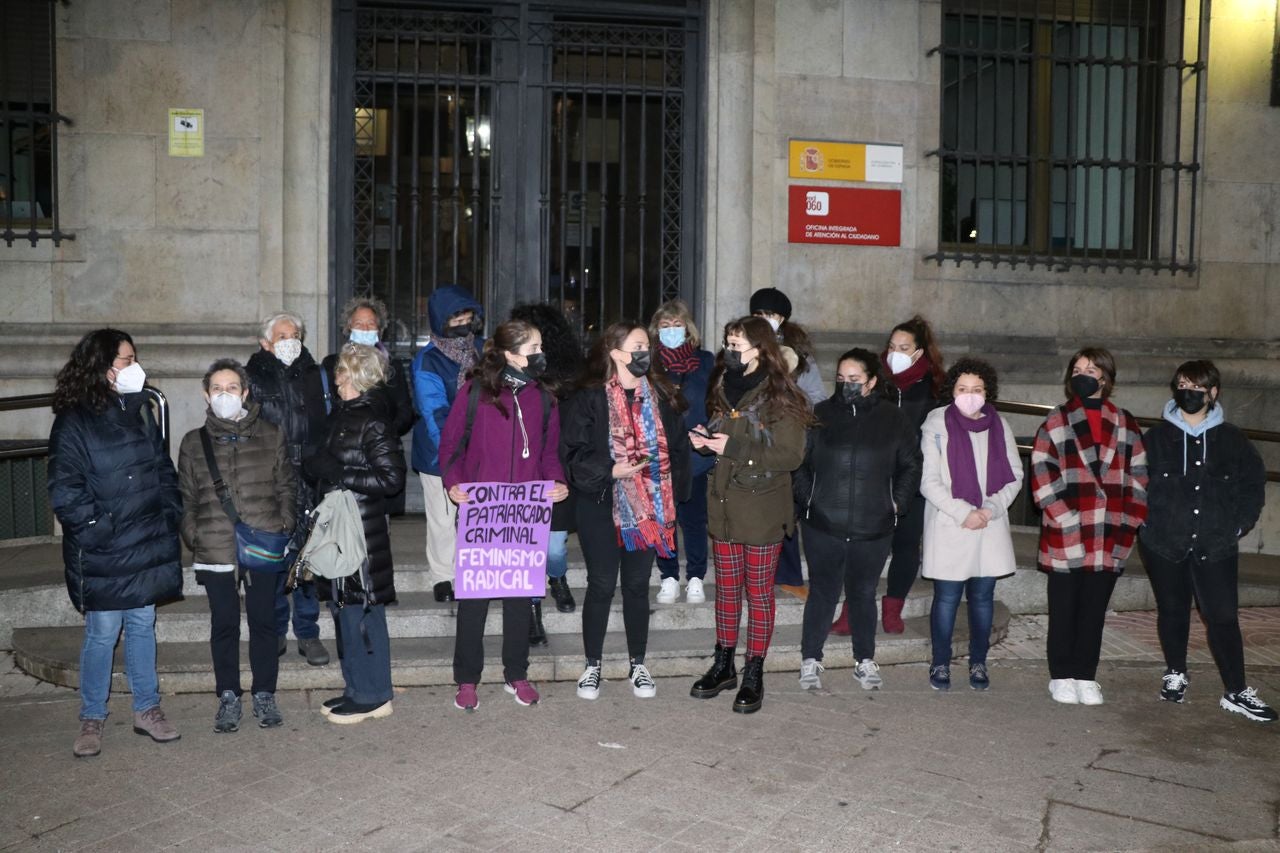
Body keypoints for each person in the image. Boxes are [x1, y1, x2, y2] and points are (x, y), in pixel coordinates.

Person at [48, 329, 183, 757]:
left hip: (145, 539)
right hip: (105, 547)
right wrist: (98, 529)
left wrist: (169, 511)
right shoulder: (74, 420)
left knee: (142, 624)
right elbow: (65, 489)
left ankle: (147, 709)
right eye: (127, 359)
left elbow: (162, 467)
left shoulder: (140, 411)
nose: (135, 366)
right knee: (103, 632)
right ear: (104, 367)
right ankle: (92, 716)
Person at [439, 320, 569, 711]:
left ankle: (517, 674)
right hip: (483, 511)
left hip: (525, 514)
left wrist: (556, 482)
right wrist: (454, 483)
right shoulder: (475, 392)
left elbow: (548, 453)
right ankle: (466, 680)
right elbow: (451, 447)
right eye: (535, 347)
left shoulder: (544, 398)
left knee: (519, 600)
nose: (541, 353)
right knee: (474, 602)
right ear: (512, 354)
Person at [561, 321, 691, 702]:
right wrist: (610, 470)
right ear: (616, 352)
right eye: (638, 345)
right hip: (600, 502)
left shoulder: (662, 394)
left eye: (646, 345)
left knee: (636, 585)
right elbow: (571, 454)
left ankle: (638, 664)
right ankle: (593, 666)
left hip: (648, 506)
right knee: (602, 584)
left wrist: (675, 493)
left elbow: (679, 445)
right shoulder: (589, 398)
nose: (645, 351)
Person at [1138, 360, 1274, 722]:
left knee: (1223, 616)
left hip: (1216, 545)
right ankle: (1176, 672)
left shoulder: (1233, 440)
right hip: (1164, 542)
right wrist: (1146, 524)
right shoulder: (1155, 438)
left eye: (1197, 387)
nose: (1189, 392)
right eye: (1183, 384)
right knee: (1173, 610)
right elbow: (1134, 483)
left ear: (1213, 393)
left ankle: (1236, 689)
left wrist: (1237, 526)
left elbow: (1252, 485)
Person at [688, 317, 809, 713]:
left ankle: (754, 671)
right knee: (725, 592)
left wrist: (732, 449)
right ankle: (723, 664)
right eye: (727, 343)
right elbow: (727, 436)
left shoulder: (783, 397)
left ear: (760, 349)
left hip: (761, 508)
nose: (729, 351)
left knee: (757, 594)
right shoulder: (724, 387)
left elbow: (791, 456)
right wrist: (706, 442)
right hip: (724, 504)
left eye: (737, 344)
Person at [792, 349, 921, 692]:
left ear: (872, 381)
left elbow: (911, 464)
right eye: (840, 379)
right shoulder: (819, 414)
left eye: (854, 380)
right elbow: (800, 464)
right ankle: (810, 659)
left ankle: (864, 659)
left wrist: (897, 504)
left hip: (873, 525)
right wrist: (808, 502)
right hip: (823, 524)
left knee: (863, 593)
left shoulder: (892, 419)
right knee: (822, 592)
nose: (845, 385)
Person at [177, 359, 295, 732]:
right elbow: (185, 499)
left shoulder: (271, 433)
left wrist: (283, 525)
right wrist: (194, 536)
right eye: (217, 388)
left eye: (231, 387)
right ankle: (228, 695)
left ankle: (264, 693)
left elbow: (287, 487)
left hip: (262, 544)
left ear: (245, 393)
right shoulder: (193, 442)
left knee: (264, 623)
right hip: (215, 548)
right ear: (206, 395)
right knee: (223, 624)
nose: (224, 394)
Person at [1031, 347, 1148, 706]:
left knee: (1093, 612)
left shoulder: (1125, 422)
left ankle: (1086, 675)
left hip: (1110, 533)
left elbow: (1139, 475)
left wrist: (1130, 519)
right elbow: (1041, 472)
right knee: (1064, 610)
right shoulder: (1056, 420)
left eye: (1091, 368)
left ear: (1105, 377)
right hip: (1067, 532)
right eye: (1078, 368)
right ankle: (1061, 675)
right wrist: (1064, 517)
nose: (1083, 373)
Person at [305, 344, 407, 723]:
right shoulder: (342, 414)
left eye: (341, 371)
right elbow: (328, 463)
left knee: (360, 612)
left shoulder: (372, 420)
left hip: (361, 533)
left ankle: (374, 694)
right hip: (339, 530)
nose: (335, 378)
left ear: (354, 376)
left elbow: (392, 479)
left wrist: (339, 473)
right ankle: (356, 687)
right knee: (344, 609)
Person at [833, 315, 945, 636]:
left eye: (904, 347)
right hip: (874, 480)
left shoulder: (934, 388)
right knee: (865, 547)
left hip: (914, 481)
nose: (895, 352)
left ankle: (893, 607)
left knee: (906, 546)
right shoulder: (874, 381)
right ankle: (851, 610)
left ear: (919, 353)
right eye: (891, 346)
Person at [918, 358, 1022, 691]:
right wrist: (964, 512)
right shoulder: (937, 424)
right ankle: (940, 662)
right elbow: (929, 481)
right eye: (963, 389)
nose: (970, 395)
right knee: (946, 598)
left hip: (989, 525)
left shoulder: (999, 425)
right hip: (952, 524)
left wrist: (990, 509)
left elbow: (1015, 475)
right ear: (952, 390)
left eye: (977, 389)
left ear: (987, 392)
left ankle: (979, 661)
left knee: (982, 597)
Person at [246, 311, 331, 667]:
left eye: (295, 333)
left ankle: (308, 633)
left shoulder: (316, 373)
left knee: (308, 556)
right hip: (272, 477)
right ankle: (278, 629)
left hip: (310, 475)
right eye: (282, 335)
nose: (290, 340)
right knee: (277, 557)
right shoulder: (251, 376)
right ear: (266, 342)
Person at [510, 302, 586, 628]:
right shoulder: (509, 377)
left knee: (554, 547)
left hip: (558, 473)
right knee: (528, 546)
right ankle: (531, 610)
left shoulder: (572, 378)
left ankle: (557, 577)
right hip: (523, 474)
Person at [411, 285, 484, 603]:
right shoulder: (428, 360)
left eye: (468, 315)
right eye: (457, 317)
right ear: (442, 321)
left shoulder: (483, 349)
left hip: (481, 446)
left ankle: (472, 569)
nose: (464, 321)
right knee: (442, 515)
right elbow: (434, 411)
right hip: (439, 450)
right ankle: (443, 575)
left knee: (475, 514)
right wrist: (453, 457)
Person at [748, 287, 820, 588]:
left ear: (783, 319)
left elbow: (817, 397)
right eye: (759, 314)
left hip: (786, 439)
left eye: (771, 315)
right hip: (750, 438)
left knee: (784, 506)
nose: (766, 320)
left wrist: (788, 396)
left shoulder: (799, 355)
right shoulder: (741, 347)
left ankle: (786, 573)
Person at [650, 299, 716, 605]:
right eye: (665, 326)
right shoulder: (649, 363)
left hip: (695, 454)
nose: (671, 331)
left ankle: (695, 578)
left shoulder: (705, 361)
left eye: (677, 325)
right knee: (664, 519)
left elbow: (716, 402)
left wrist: (708, 430)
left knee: (693, 519)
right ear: (656, 331)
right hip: (661, 453)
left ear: (688, 329)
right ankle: (668, 576)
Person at [323, 296, 415, 436]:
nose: (365, 329)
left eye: (371, 323)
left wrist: (385, 432)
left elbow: (405, 411)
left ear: (379, 329)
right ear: (349, 328)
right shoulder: (332, 363)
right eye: (358, 323)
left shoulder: (392, 365)